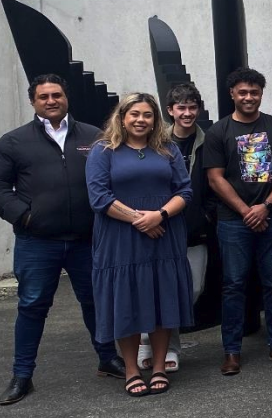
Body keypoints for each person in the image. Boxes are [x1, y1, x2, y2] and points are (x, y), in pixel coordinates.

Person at [0, 74, 124, 405]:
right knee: (32, 305)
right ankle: (22, 375)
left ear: (66, 98)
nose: (51, 101)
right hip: (37, 242)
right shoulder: (14, 141)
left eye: (56, 95)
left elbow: (114, 178)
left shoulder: (94, 136)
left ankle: (107, 358)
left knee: (95, 302)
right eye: (43, 96)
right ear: (33, 102)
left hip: (87, 241)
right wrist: (24, 215)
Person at [86, 92, 194, 396]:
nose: (141, 120)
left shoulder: (168, 149)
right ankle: (131, 369)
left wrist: (159, 216)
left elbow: (184, 191)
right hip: (120, 240)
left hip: (164, 235)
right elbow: (99, 197)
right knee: (127, 302)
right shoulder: (103, 151)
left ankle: (159, 365)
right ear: (122, 117)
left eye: (147, 115)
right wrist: (140, 220)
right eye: (134, 114)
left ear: (155, 119)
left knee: (161, 300)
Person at [204, 67, 272, 375]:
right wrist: (247, 211)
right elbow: (215, 179)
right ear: (232, 94)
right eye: (242, 92)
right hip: (233, 221)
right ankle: (231, 350)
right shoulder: (219, 132)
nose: (248, 97)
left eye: (254, 92)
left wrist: (266, 207)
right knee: (233, 285)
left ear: (261, 94)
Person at [136, 83, 217, 373]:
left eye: (192, 107)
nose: (187, 113)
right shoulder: (154, 142)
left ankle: (167, 341)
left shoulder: (210, 141)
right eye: (181, 107)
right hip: (160, 228)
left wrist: (206, 217)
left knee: (192, 289)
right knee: (156, 289)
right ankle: (159, 344)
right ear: (170, 111)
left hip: (195, 231)